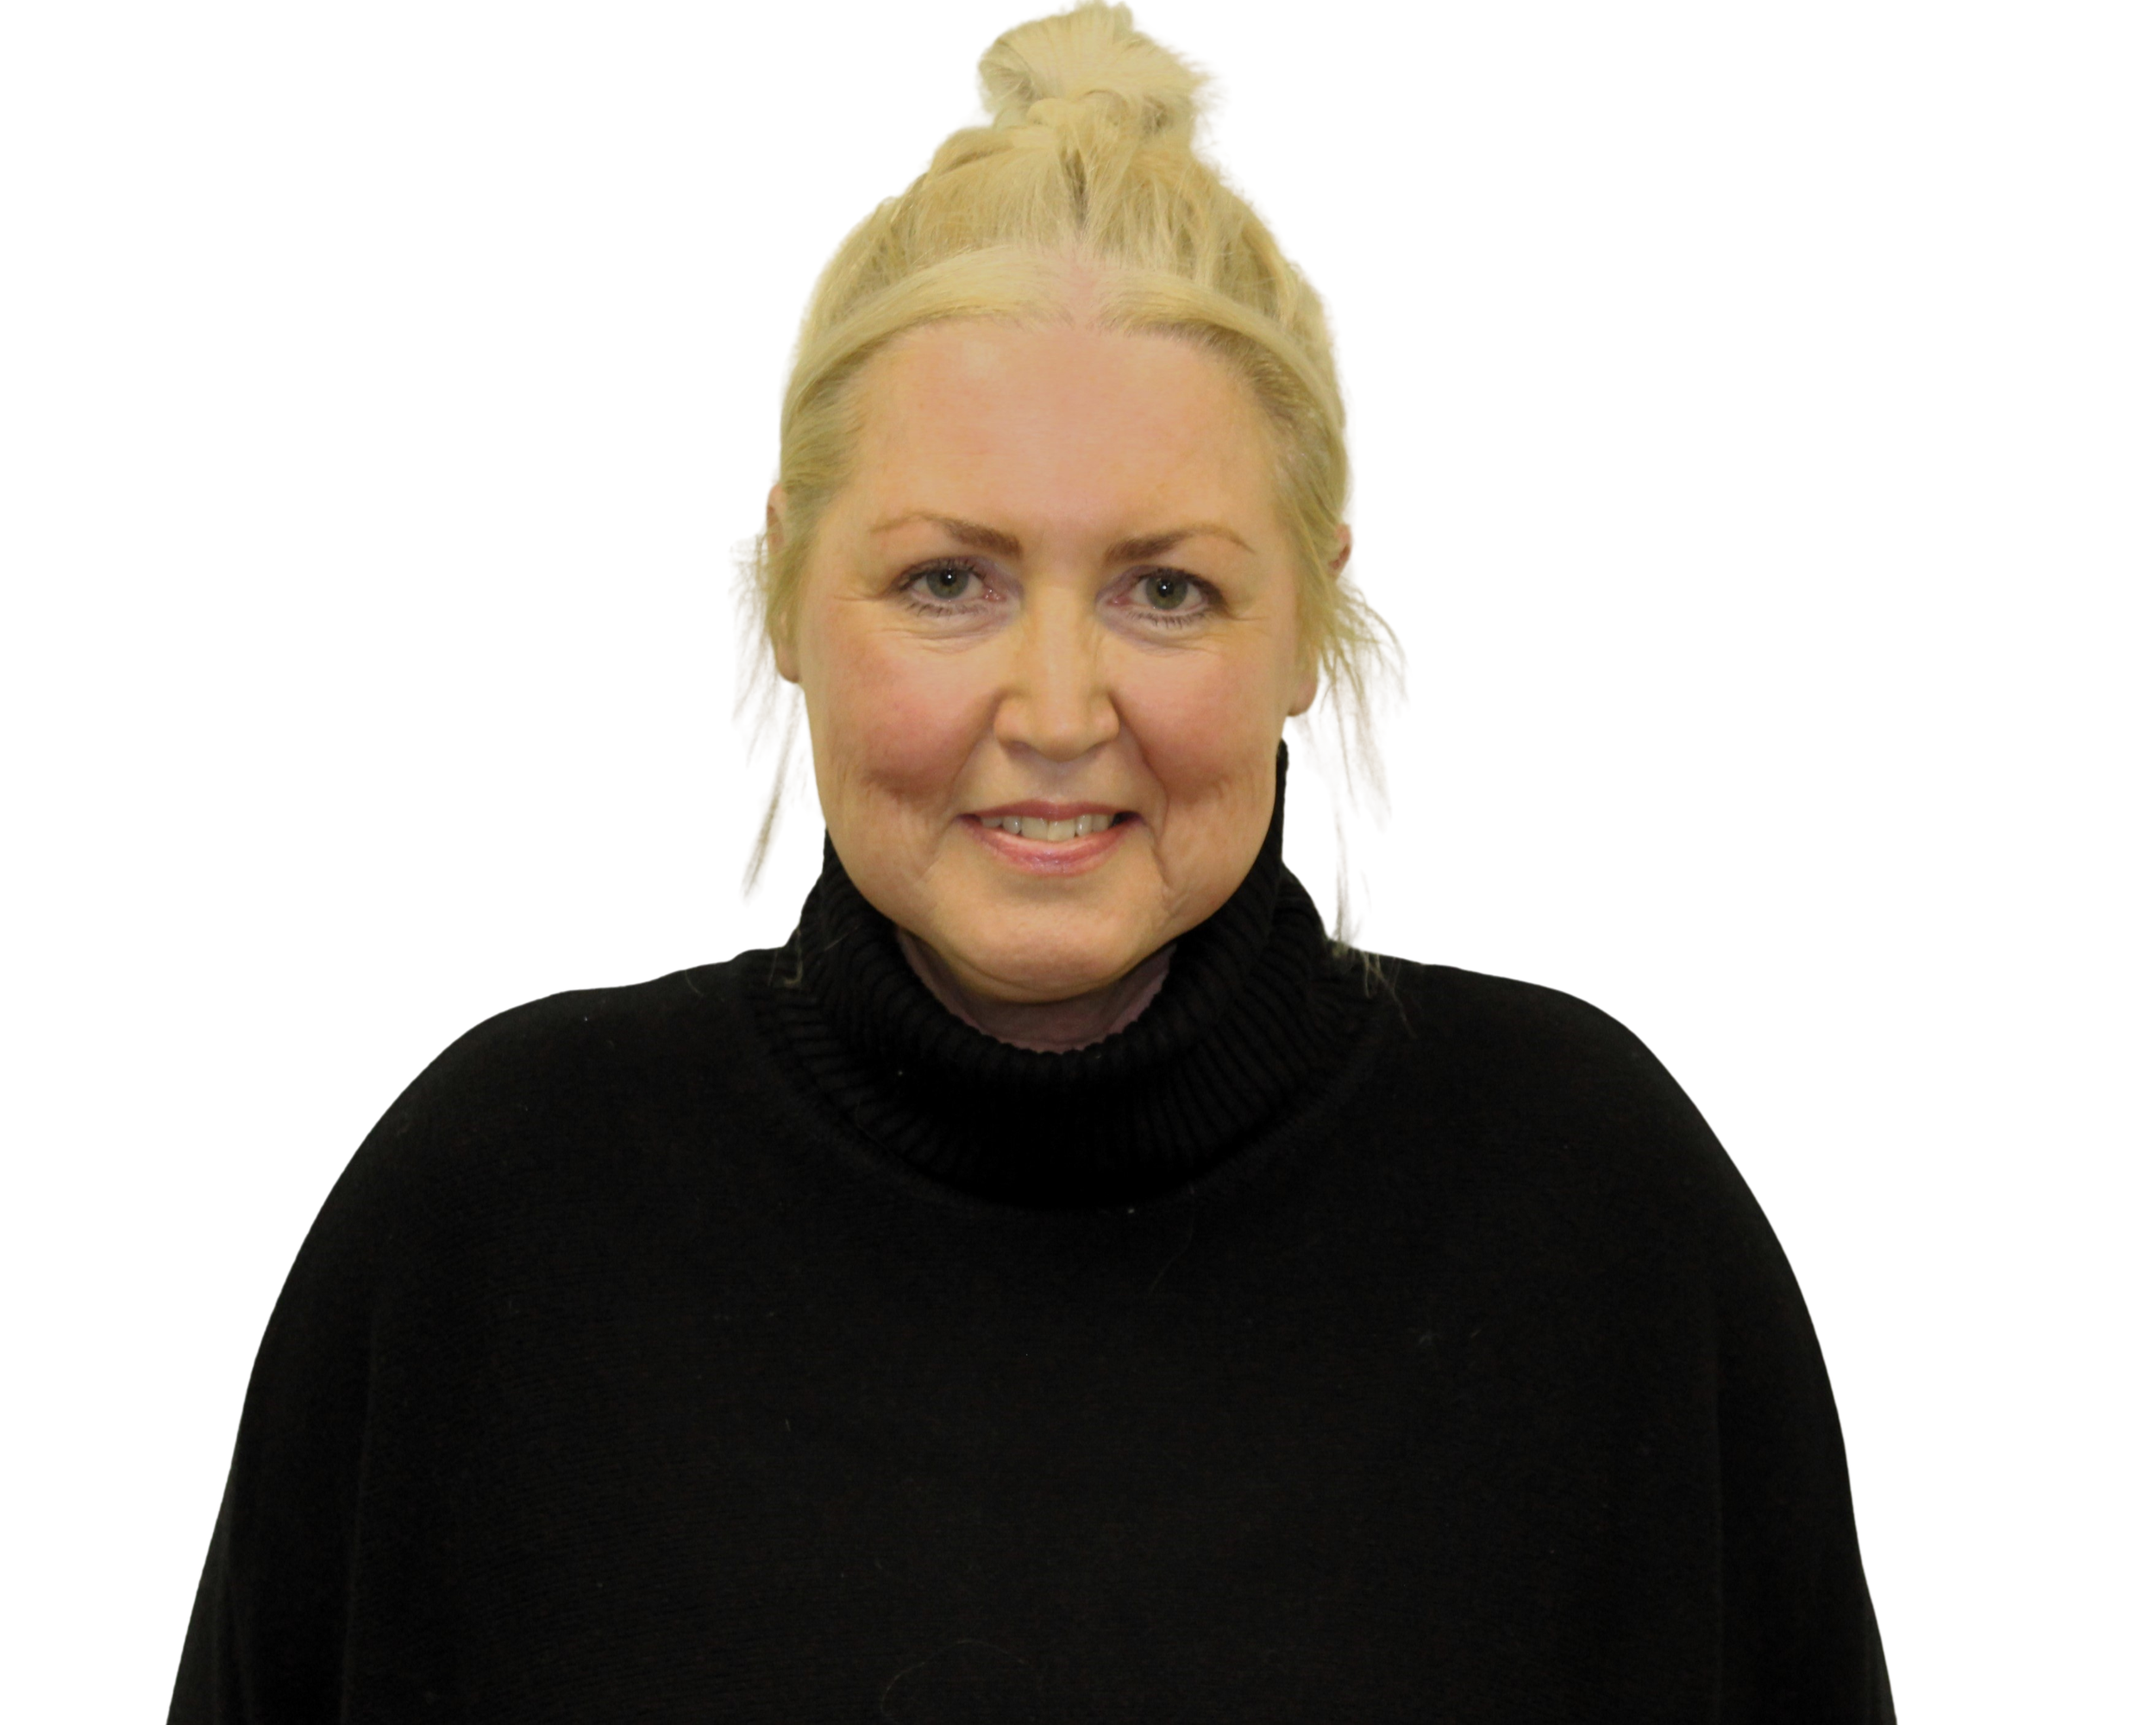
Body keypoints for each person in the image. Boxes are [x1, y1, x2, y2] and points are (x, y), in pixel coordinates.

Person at [169, 3, 1896, 1717]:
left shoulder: (1599, 1220)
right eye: (946, 581)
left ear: (1306, 615)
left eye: (1165, 588)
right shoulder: (481, 1211)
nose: (1057, 705)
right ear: (786, 590)